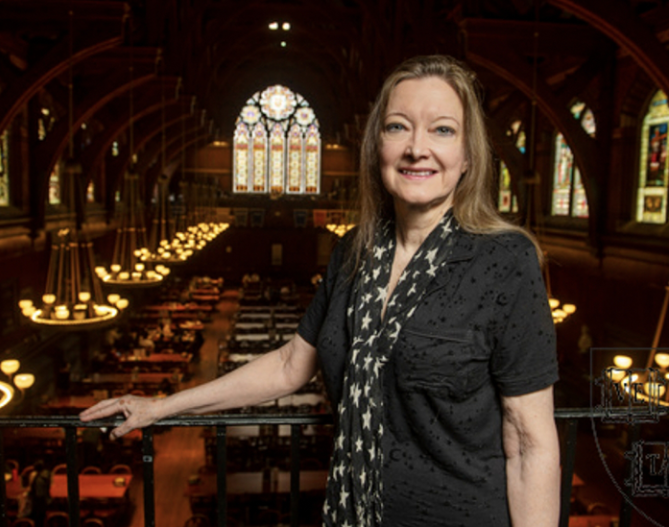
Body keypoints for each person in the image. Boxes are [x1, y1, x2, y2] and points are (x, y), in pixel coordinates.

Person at [81, 54, 560, 526]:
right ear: (377, 147)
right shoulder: (355, 250)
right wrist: (162, 406)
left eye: (442, 129)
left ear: (468, 155)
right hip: (351, 512)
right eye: (398, 127)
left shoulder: (505, 259)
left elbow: (531, 442)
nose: (418, 147)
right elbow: (291, 365)